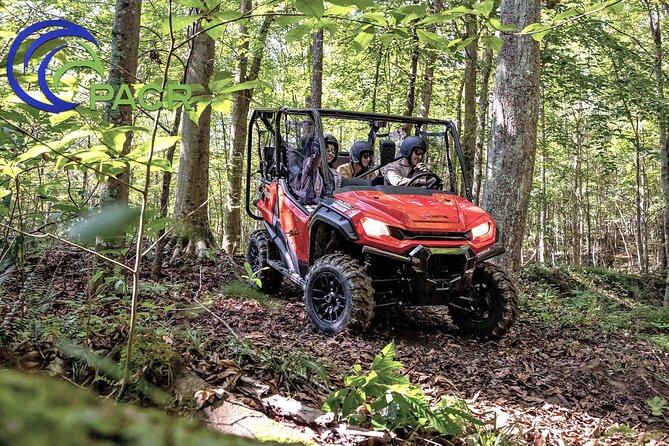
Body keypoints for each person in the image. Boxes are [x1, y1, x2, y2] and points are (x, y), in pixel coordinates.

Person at [292, 133, 341, 204]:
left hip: (329, 208)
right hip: (310, 207)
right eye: (327, 150)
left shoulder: (336, 174)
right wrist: (319, 154)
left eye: (333, 151)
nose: (330, 153)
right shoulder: (310, 167)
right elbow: (312, 163)